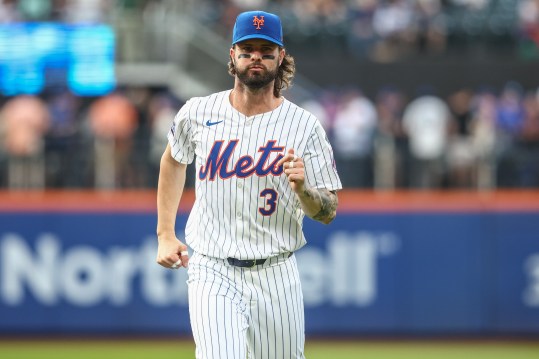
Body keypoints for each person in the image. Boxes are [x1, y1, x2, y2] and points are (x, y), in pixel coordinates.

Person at [155, 10, 342, 359]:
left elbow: (328, 211)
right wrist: (166, 233)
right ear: (233, 54)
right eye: (247, 48)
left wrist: (304, 191)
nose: (256, 56)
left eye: (266, 49)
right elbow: (173, 159)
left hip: (276, 271)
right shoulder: (197, 111)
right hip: (213, 266)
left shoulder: (304, 126)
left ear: (280, 56)